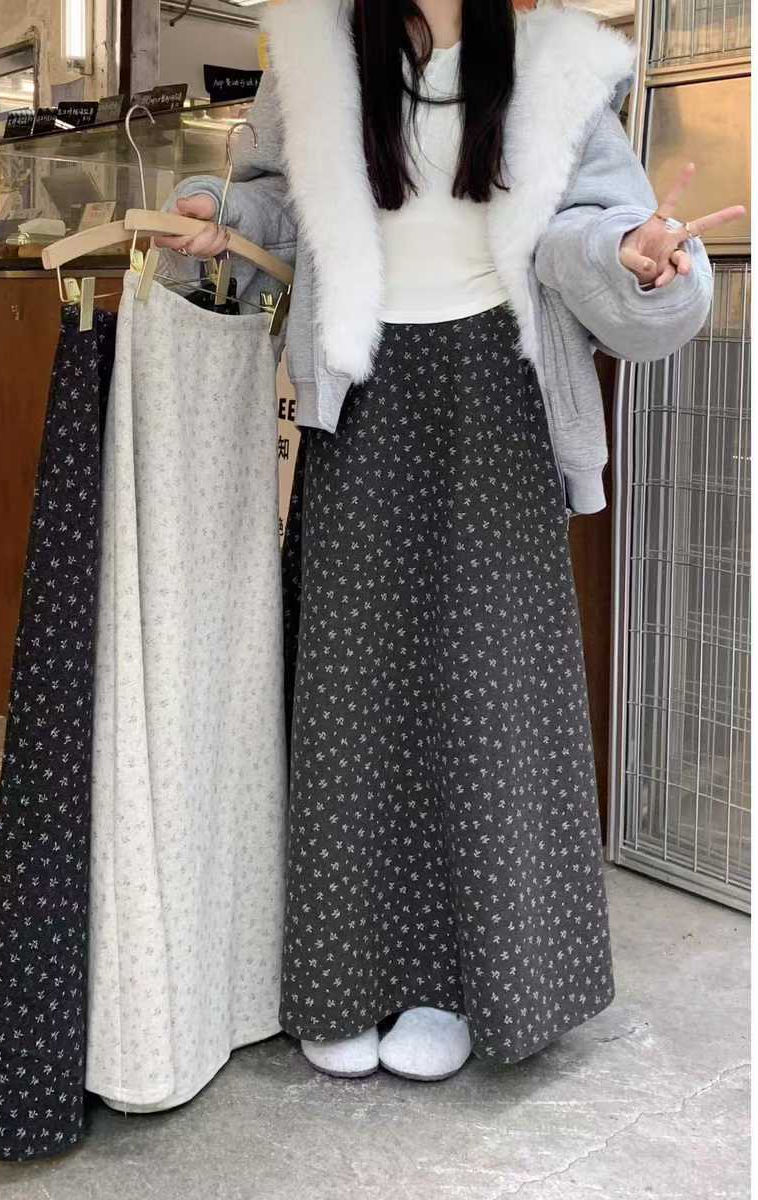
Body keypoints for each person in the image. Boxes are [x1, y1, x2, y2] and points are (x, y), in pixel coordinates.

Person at [151, 0, 745, 1083]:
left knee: (490, 693)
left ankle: (461, 984)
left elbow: (592, 225)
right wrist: (217, 209)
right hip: (363, 385)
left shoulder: (558, 64)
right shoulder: (318, 52)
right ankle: (344, 978)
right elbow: (286, 202)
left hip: (496, 386)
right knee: (353, 690)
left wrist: (634, 251)